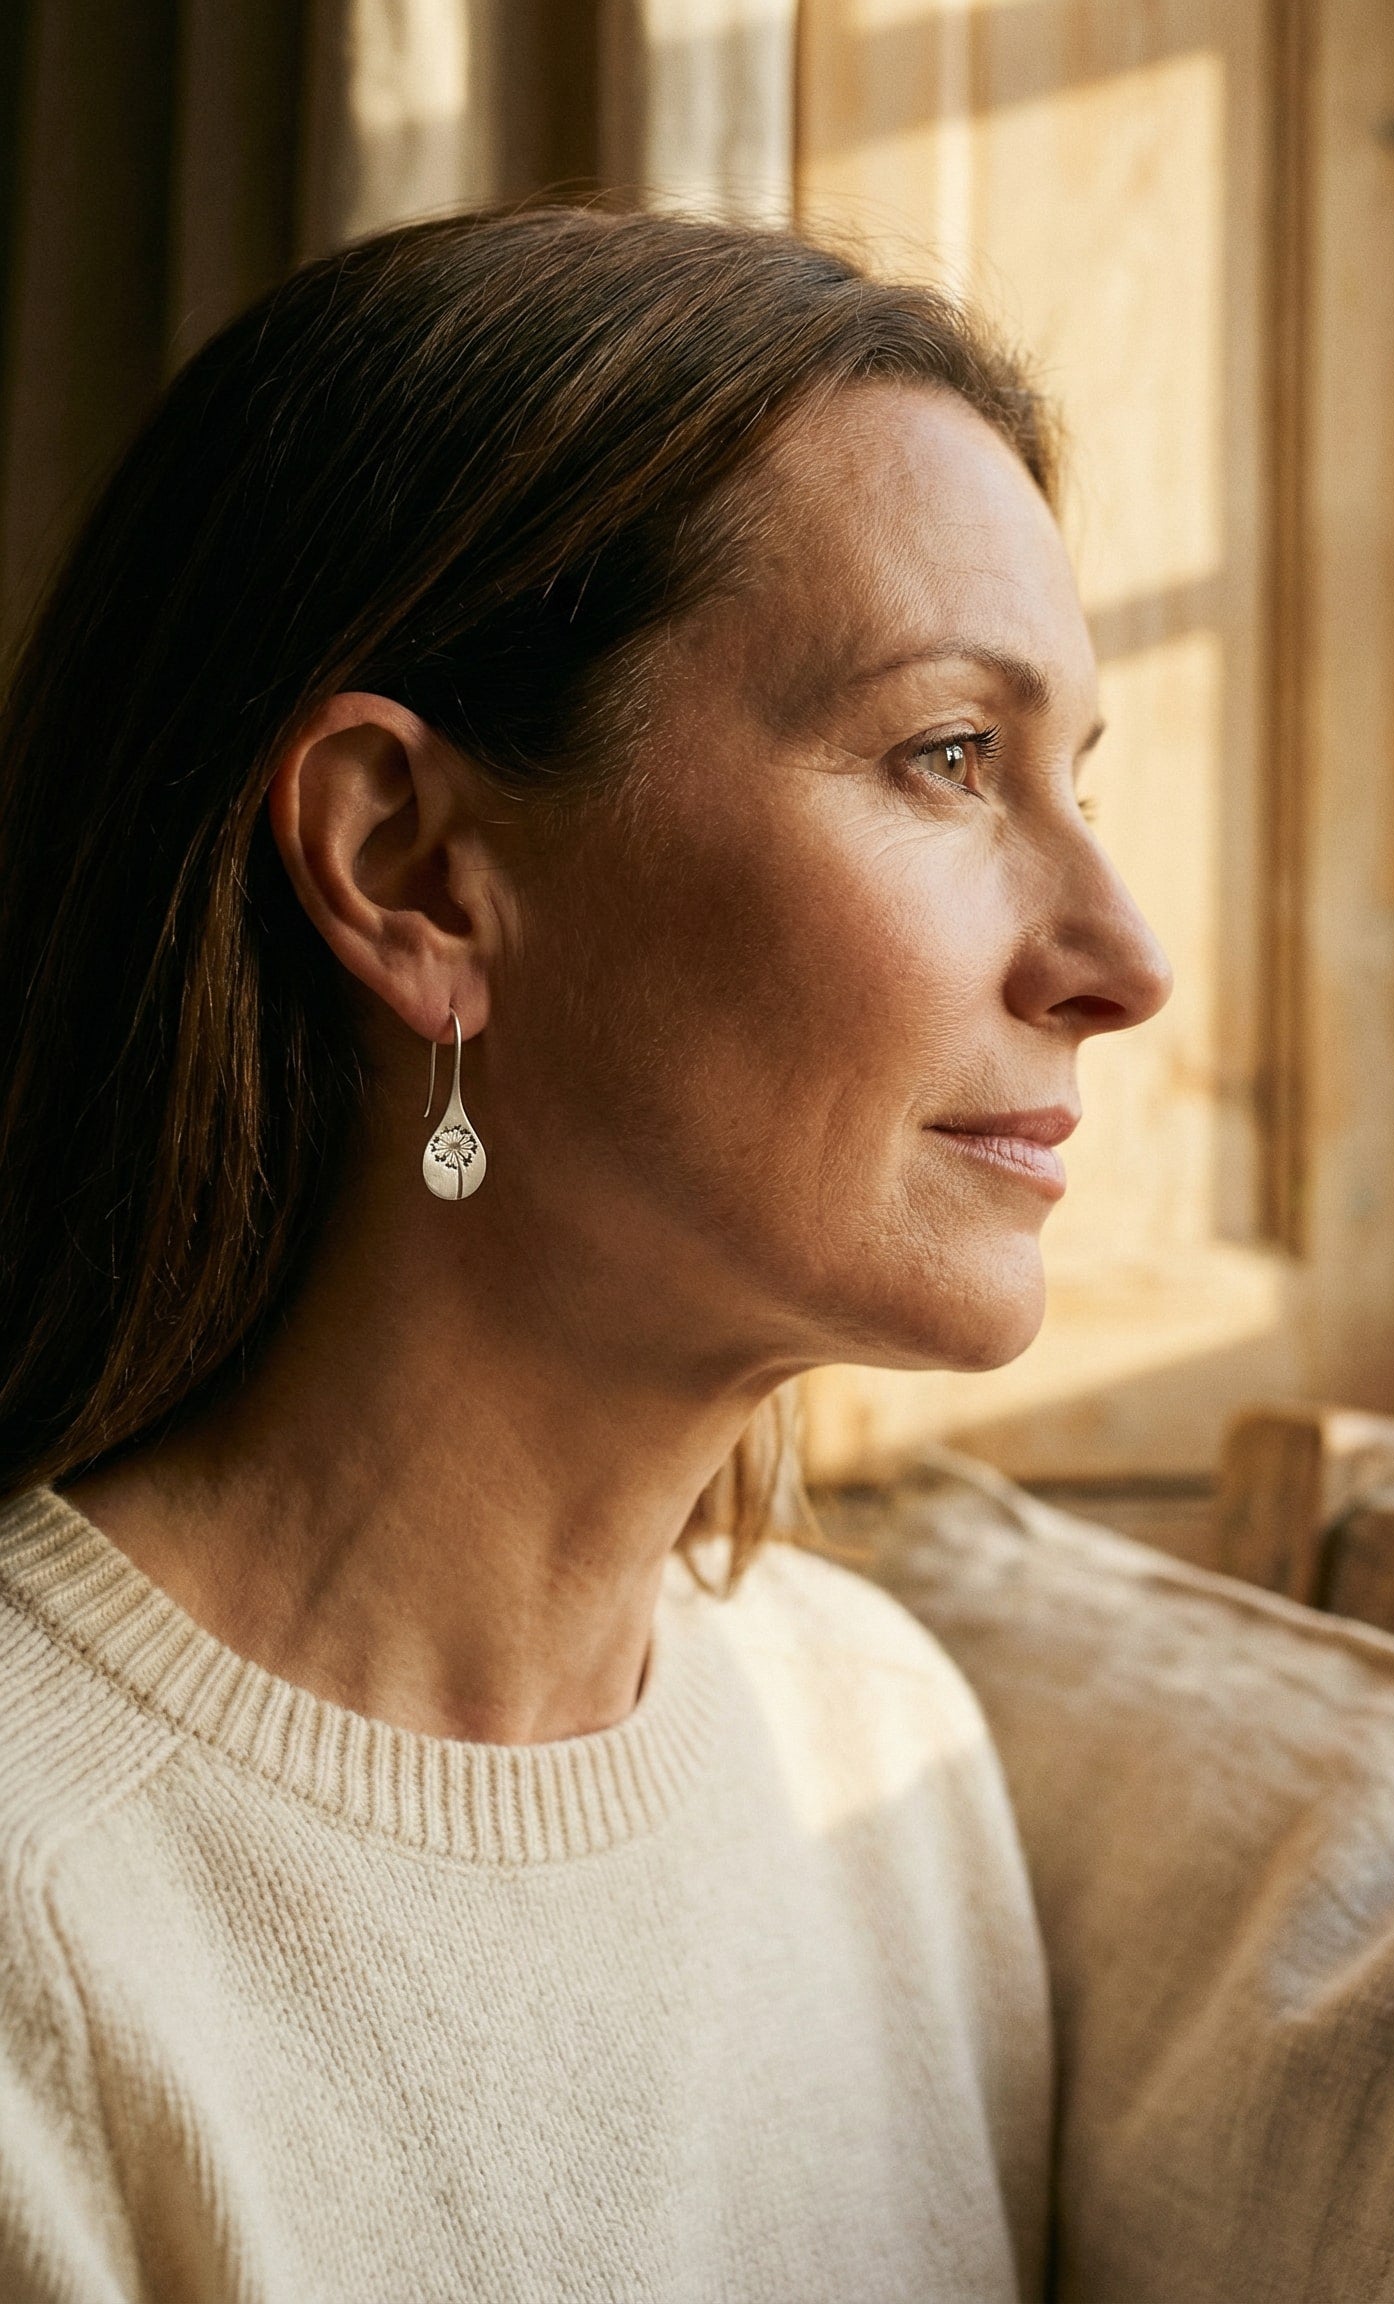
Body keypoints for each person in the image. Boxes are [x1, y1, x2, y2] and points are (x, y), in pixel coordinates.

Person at [0, 206, 1170, 2301]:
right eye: (947, 758)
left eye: (1075, 776)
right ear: (410, 867)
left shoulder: (878, 1756)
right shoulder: (37, 1920)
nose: (1118, 962)